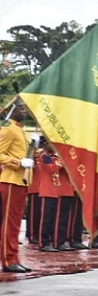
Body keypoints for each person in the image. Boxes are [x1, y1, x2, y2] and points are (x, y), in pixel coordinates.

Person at [0, 101, 36, 273]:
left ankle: (14, 257)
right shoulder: (8, 129)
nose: (24, 111)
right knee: (9, 222)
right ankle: (8, 260)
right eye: (20, 108)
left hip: (21, 181)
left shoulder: (22, 131)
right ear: (12, 111)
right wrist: (18, 162)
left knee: (15, 224)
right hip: (11, 180)